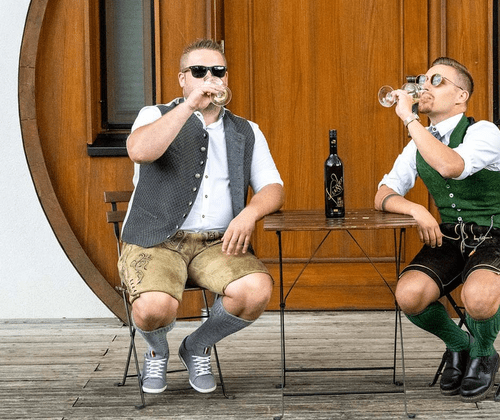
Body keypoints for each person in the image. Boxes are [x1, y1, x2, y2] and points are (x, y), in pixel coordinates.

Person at [118, 39, 284, 395]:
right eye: (199, 71)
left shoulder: (246, 130)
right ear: (183, 78)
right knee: (153, 309)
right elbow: (140, 151)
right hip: (157, 239)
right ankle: (157, 351)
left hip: (217, 243)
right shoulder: (155, 114)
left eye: (217, 71)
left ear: (226, 78)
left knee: (255, 291)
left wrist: (250, 213)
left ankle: (196, 346)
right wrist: (190, 106)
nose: (210, 77)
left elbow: (273, 187)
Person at [375, 57, 500, 403]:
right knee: (409, 295)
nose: (424, 87)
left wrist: (409, 118)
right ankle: (460, 344)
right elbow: (382, 194)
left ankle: (484, 353)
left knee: (478, 298)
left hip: (495, 236)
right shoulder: (418, 141)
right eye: (422, 80)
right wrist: (416, 209)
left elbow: (451, 165)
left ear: (461, 96)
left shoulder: (484, 132)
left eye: (437, 81)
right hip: (449, 236)